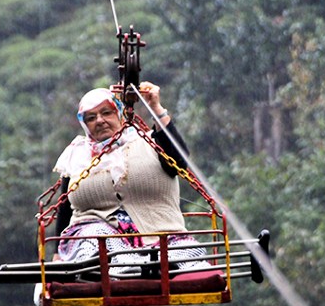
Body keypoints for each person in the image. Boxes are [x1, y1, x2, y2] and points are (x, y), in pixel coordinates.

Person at [51, 81, 209, 275]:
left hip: (161, 235)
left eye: (106, 113)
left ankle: (158, 267)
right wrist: (55, 255)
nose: (99, 120)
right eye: (91, 117)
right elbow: (64, 207)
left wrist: (156, 108)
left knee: (185, 257)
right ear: (85, 124)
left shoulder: (151, 142)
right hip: (96, 236)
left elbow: (179, 161)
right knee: (97, 239)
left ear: (119, 114)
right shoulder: (77, 156)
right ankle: (120, 268)